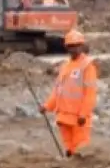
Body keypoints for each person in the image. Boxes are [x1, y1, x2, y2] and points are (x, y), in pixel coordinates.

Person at [41, 29, 100, 157]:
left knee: (81, 149)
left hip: (79, 117)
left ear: (82, 46)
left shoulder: (87, 66)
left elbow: (90, 93)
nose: (74, 49)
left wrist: (83, 114)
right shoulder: (66, 66)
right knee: (69, 149)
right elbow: (58, 91)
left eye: (76, 46)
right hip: (63, 116)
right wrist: (46, 106)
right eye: (71, 46)